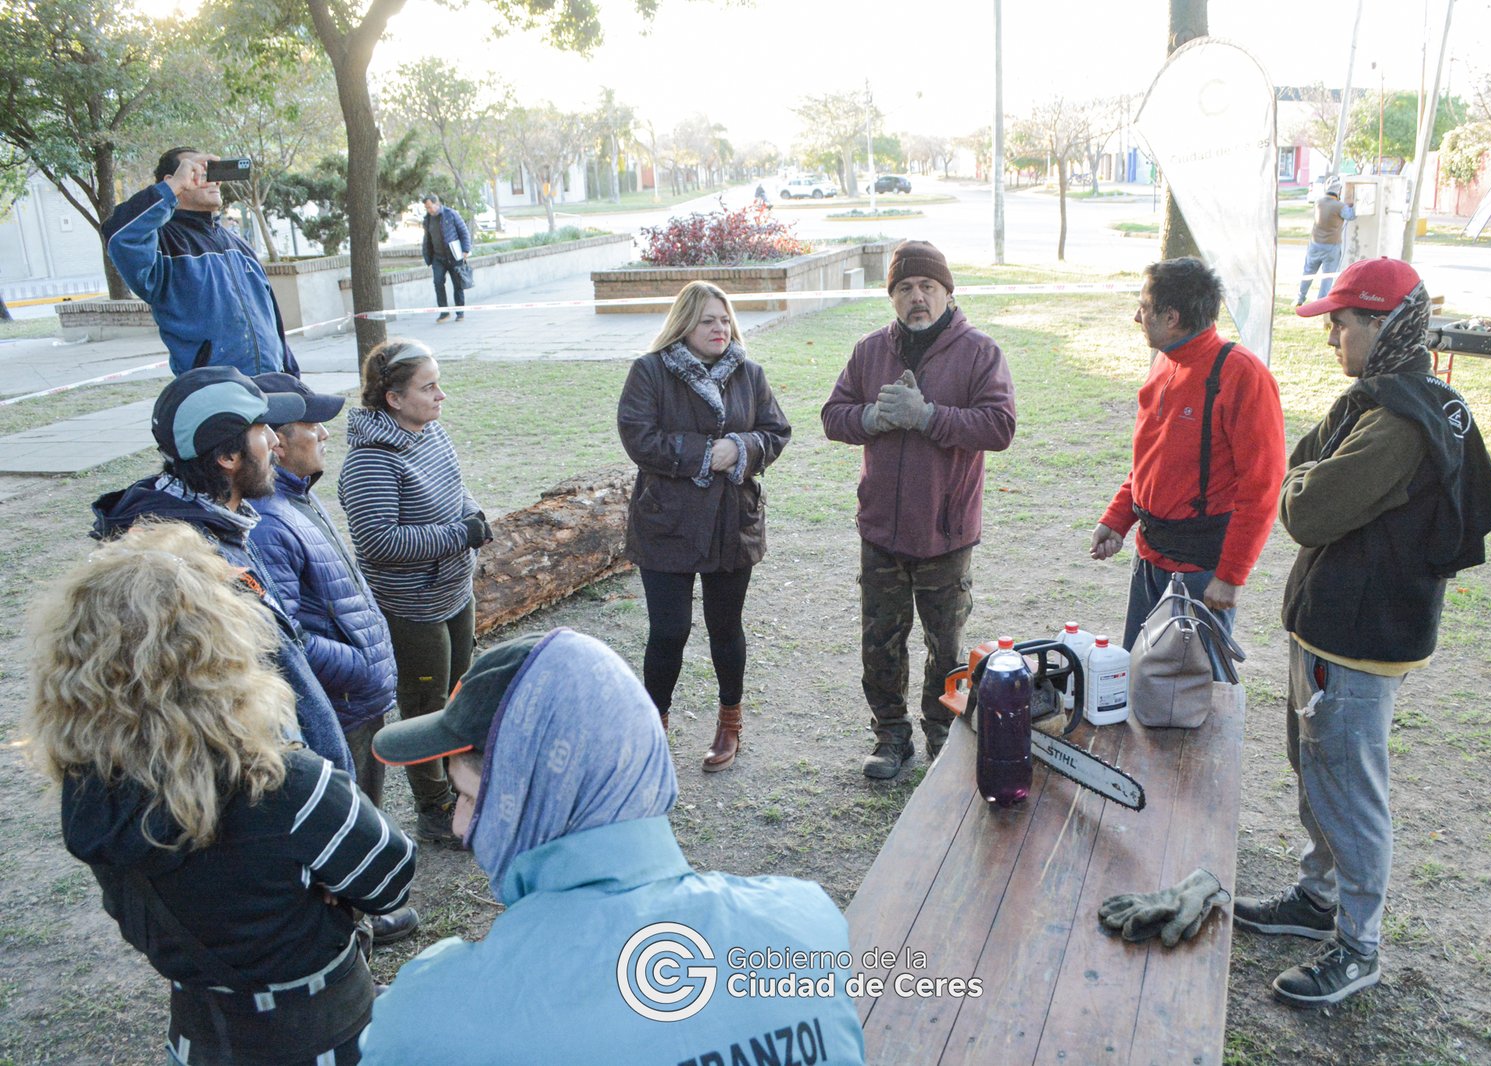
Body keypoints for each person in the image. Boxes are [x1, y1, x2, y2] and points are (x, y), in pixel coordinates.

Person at [359, 628, 866, 1065]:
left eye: (468, 795)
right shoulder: (806, 925)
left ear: (531, 797)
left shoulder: (433, 1015)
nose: (460, 827)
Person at [27, 522, 416, 1065]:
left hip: (200, 1038)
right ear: (222, 645)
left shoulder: (87, 792)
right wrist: (326, 894)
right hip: (326, 1034)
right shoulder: (288, 784)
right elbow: (391, 878)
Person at [1234, 257, 1491, 1006]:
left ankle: (1358, 946)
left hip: (1357, 638)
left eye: (1342, 321)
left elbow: (1306, 510)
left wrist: (1307, 477)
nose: (1330, 337)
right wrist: (1308, 473)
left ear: (1384, 325)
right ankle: (1316, 899)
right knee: (1316, 771)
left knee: (1348, 788)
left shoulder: (1396, 422)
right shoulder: (1384, 399)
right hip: (1335, 626)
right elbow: (1302, 471)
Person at [92, 366, 353, 777]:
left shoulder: (225, 524)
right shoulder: (188, 570)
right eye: (262, 429)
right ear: (228, 457)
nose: (274, 441)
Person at [821, 240, 1016, 779]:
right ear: (892, 297)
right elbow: (833, 416)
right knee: (880, 642)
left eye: (927, 286)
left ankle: (942, 737)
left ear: (948, 292)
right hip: (881, 530)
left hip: (945, 533)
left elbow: (1000, 427)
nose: (916, 298)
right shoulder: (869, 351)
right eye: (904, 288)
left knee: (945, 644)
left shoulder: (979, 352)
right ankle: (892, 738)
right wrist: (871, 418)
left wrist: (929, 416)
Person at [617, 280, 792, 771]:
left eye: (724, 319)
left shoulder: (749, 373)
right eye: (707, 320)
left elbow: (776, 432)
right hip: (666, 523)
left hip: (731, 522)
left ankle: (729, 722)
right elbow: (638, 437)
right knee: (668, 631)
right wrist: (702, 455)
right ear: (684, 323)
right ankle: (654, 726)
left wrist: (742, 449)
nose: (719, 328)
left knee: (725, 628)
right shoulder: (650, 371)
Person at [1090, 257, 1285, 672]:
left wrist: (1230, 576)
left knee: (1198, 697)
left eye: (1144, 307)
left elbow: (1262, 489)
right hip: (1151, 560)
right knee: (1140, 679)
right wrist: (1119, 517)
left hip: (1201, 571)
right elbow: (1152, 459)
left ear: (1172, 317)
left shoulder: (1242, 375)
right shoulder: (1164, 361)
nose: (1135, 317)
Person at [338, 339, 490, 845]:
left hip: (453, 591)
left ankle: (464, 786)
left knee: (460, 694)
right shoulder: (370, 464)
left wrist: (472, 515)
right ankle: (435, 808)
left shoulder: (431, 433)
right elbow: (378, 542)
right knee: (426, 706)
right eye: (428, 388)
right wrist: (457, 535)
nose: (440, 396)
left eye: (438, 383)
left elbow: (455, 487)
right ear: (394, 399)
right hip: (411, 607)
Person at [247, 376, 399, 804]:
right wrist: (357, 664)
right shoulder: (269, 523)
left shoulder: (296, 495)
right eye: (313, 424)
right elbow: (281, 638)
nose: (325, 433)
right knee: (354, 819)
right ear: (276, 441)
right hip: (337, 707)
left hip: (353, 699)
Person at [103, 148, 299, 376]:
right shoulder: (163, 243)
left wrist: (292, 377)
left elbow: (271, 319)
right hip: (213, 393)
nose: (213, 181)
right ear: (174, 181)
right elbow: (119, 234)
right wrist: (172, 188)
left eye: (213, 173)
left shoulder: (240, 246)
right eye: (198, 172)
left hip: (271, 386)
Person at [1297, 180, 1356, 307]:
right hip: (1331, 246)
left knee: (1308, 272)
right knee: (1327, 276)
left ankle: (1300, 298)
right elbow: (1351, 216)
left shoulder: (1318, 202)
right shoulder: (1339, 206)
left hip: (1315, 243)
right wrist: (1354, 204)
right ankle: (1320, 302)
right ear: (1338, 192)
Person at [420, 194, 471, 323]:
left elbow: (463, 232)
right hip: (438, 258)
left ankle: (460, 313)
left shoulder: (451, 214)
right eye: (427, 208)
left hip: (454, 256)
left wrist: (465, 250)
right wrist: (428, 257)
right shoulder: (427, 220)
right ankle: (444, 312)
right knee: (438, 283)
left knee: (457, 285)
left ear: (437, 204)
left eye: (430, 207)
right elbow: (427, 239)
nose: (429, 210)